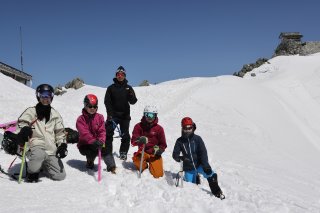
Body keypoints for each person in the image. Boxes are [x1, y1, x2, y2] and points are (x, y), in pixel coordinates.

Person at [14, 84, 67, 182]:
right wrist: (24, 130)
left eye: (48, 95)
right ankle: (32, 171)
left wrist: (62, 145)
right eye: (42, 95)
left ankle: (42, 164)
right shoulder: (31, 111)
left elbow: (60, 133)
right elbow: (22, 123)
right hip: (35, 147)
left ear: (52, 96)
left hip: (50, 150)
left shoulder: (55, 114)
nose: (45, 98)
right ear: (38, 96)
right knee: (39, 155)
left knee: (60, 176)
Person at [172, 117, 225, 199]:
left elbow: (203, 153)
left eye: (189, 128)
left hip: (199, 165)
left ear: (193, 127)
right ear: (182, 128)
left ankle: (217, 192)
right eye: (185, 128)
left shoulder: (197, 139)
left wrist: (206, 165)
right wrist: (180, 158)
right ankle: (196, 178)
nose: (188, 130)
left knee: (211, 174)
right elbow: (175, 154)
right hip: (188, 168)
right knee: (190, 187)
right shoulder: (179, 141)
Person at [104, 66, 137, 160]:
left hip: (125, 116)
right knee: (108, 132)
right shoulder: (111, 88)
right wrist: (109, 114)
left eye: (122, 74)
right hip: (113, 115)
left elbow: (133, 101)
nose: (120, 76)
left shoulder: (128, 88)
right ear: (116, 75)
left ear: (125, 76)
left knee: (125, 134)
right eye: (118, 74)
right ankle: (108, 152)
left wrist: (131, 96)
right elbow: (107, 101)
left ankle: (123, 152)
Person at [76, 94, 116, 173]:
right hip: (85, 144)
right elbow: (84, 133)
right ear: (85, 106)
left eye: (95, 106)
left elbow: (102, 130)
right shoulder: (81, 119)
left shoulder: (100, 117)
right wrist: (93, 141)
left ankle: (111, 166)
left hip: (98, 141)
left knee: (106, 147)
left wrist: (101, 140)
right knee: (91, 150)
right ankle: (90, 161)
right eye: (90, 106)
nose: (92, 108)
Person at [131, 105, 167, 178]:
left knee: (158, 175)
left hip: (154, 153)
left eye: (152, 115)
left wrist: (160, 150)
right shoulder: (138, 126)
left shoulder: (159, 129)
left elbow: (163, 144)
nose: (149, 117)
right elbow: (133, 141)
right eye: (147, 115)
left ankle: (153, 164)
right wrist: (139, 140)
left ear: (155, 116)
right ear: (144, 115)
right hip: (143, 151)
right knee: (137, 158)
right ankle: (144, 166)